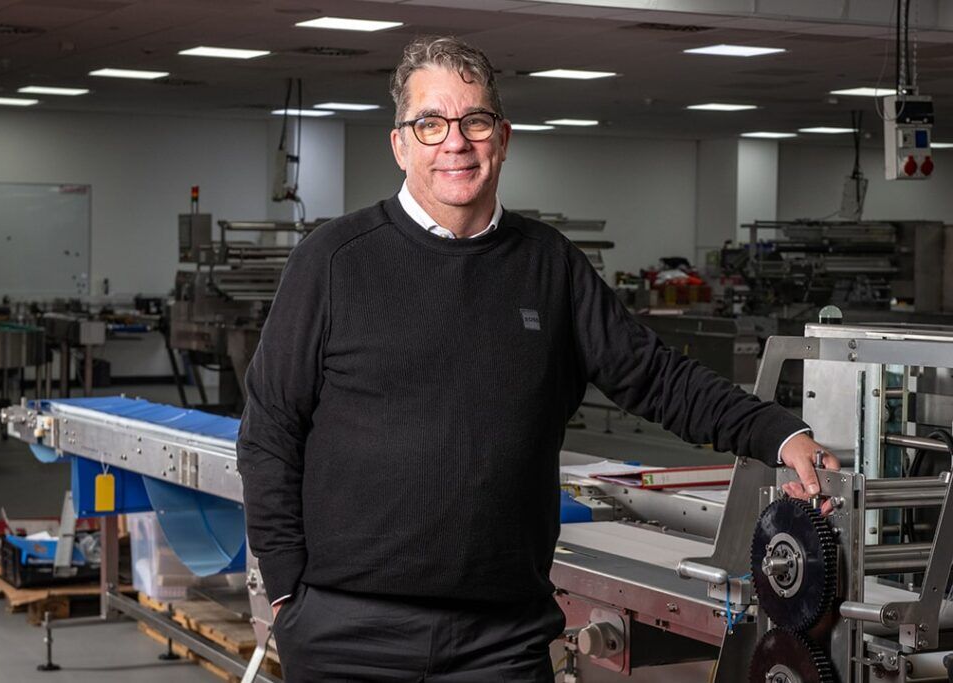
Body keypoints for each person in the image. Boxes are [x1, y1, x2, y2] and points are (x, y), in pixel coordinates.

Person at [237, 35, 838, 683]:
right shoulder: (332, 260)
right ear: (401, 143)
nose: (455, 143)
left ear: (503, 135)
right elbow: (270, 430)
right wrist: (285, 592)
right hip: (347, 633)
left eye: (474, 121)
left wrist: (779, 432)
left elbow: (655, 378)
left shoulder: (549, 265)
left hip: (501, 639)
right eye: (431, 124)